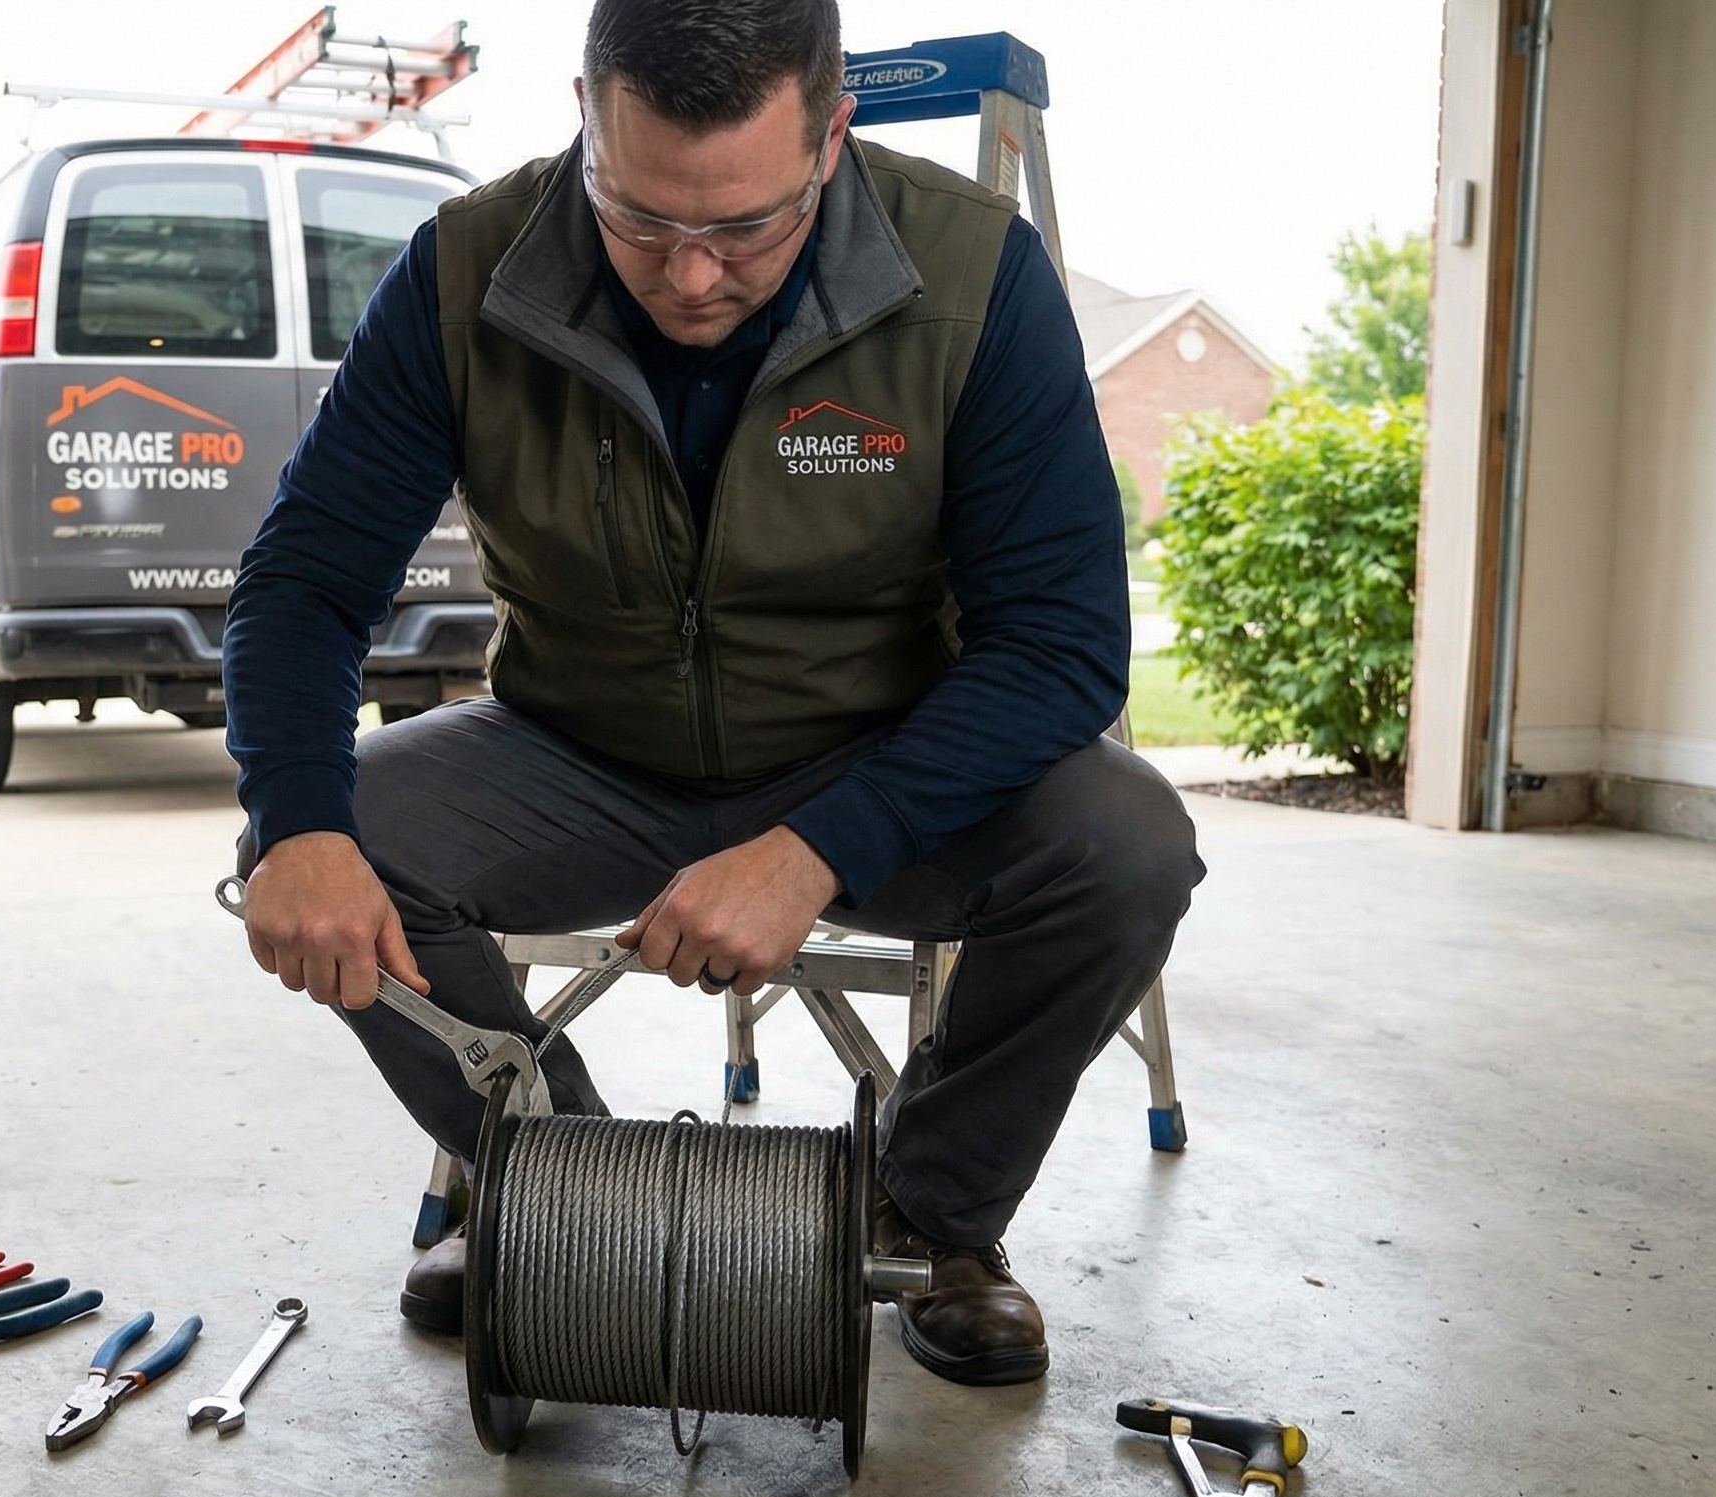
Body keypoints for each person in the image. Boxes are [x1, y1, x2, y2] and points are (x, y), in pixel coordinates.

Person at [221, 0, 1202, 1387]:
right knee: (323, 828)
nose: (689, 279)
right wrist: (300, 820)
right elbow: (305, 583)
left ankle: (928, 1219)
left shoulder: (975, 277)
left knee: (1126, 842)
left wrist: (817, 851)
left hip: (876, 762)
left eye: (745, 229)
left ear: (831, 129)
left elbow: (1059, 646)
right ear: (584, 112)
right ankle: (555, 1196)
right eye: (637, 218)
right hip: (574, 748)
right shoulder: (463, 275)